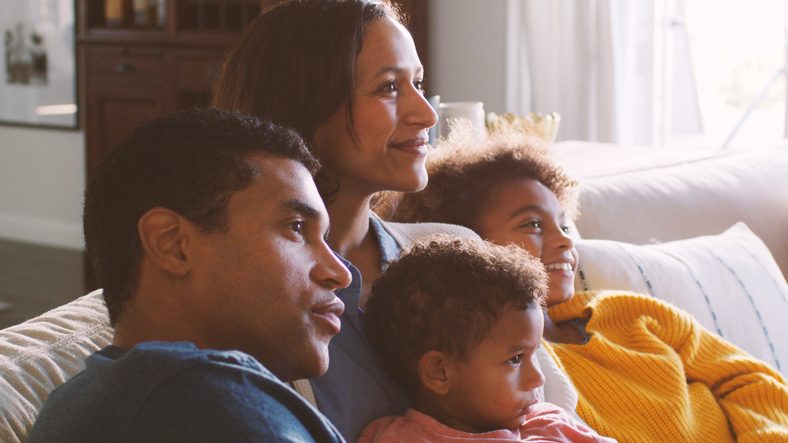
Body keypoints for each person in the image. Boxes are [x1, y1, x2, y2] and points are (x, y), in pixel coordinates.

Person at [384, 124, 788, 443]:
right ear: (467, 244)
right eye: (533, 224)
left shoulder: (628, 311)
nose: (563, 240)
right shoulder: (505, 370)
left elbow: (751, 378)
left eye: (564, 223)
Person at [212, 1, 487, 440]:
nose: (427, 114)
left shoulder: (458, 251)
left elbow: (551, 409)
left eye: (418, 82)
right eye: (389, 88)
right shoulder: (253, 310)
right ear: (304, 107)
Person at [28, 108, 353, 442]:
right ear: (173, 244)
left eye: (324, 239)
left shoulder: (72, 403)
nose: (341, 274)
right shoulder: (218, 412)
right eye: (296, 228)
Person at [359, 238, 617, 442]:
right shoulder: (400, 439)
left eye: (534, 353)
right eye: (515, 359)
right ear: (440, 372)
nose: (538, 379)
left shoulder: (551, 424)